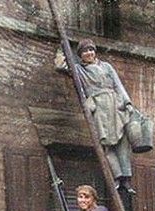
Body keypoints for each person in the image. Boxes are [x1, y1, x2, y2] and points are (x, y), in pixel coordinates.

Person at [56, 39, 136, 194]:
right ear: (80, 55)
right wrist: (61, 50)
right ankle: (117, 177)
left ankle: (126, 179)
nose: (89, 53)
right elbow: (61, 67)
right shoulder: (79, 70)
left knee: (123, 142)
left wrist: (127, 103)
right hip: (99, 106)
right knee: (106, 143)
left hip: (115, 105)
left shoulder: (106, 67)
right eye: (85, 51)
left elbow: (118, 85)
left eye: (91, 50)